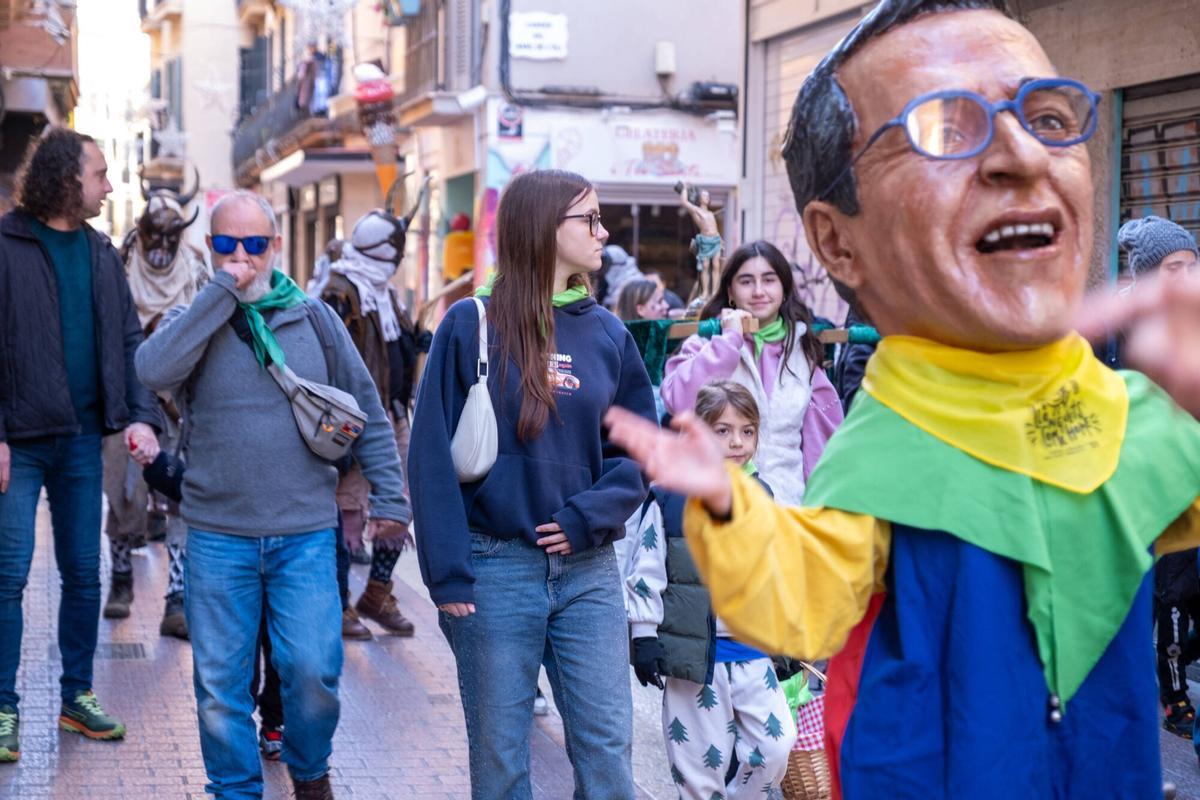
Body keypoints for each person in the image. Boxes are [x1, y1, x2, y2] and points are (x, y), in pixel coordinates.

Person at [604, 2, 1200, 797]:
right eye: (946, 129)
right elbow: (802, 600)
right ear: (836, 240)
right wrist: (726, 504)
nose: (1022, 155)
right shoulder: (885, 447)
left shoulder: (1128, 414)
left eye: (1049, 116)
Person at [135, 190, 410, 800]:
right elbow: (151, 371)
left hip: (304, 536)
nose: (241, 258)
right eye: (227, 245)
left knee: (314, 674)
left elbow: (365, 405)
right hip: (216, 536)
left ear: (275, 247)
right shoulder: (196, 318)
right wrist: (218, 296)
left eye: (254, 245)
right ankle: (234, 788)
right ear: (210, 248)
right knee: (219, 687)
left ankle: (310, 772)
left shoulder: (314, 318)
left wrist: (392, 498)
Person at [409, 169, 656, 799]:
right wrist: (447, 571)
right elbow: (430, 451)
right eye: (590, 220)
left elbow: (638, 451)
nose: (603, 233)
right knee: (500, 762)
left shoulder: (608, 333)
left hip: (588, 571)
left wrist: (587, 518)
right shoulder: (470, 322)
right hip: (494, 571)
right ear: (545, 228)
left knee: (606, 755)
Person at [0, 127, 162, 762]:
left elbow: (129, 343)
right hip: (19, 442)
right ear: (67, 176)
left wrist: (140, 416)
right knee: (8, 575)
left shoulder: (100, 253)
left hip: (80, 442)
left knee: (84, 574)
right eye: (99, 174)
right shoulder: (6, 243)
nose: (109, 185)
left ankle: (77, 698)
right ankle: (4, 708)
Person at [627, 380, 796, 798]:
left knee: (775, 747)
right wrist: (643, 635)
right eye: (722, 430)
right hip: (694, 663)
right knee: (699, 769)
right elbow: (646, 569)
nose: (737, 442)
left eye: (747, 431)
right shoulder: (669, 499)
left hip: (754, 657)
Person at [659, 239, 843, 506]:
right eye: (746, 281)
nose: (758, 291)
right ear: (730, 291)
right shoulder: (705, 344)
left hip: (787, 510)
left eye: (769, 280)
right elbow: (679, 402)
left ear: (783, 289)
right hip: (716, 507)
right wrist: (729, 341)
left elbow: (822, 445)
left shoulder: (802, 351)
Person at [103, 184, 211, 637]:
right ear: (141, 234)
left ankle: (177, 598)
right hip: (128, 400)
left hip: (182, 403)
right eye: (155, 238)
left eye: (172, 239)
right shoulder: (118, 268)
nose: (163, 248)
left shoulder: (197, 274)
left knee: (181, 495)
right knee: (124, 491)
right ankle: (122, 579)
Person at [1114, 215, 1200, 738]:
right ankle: (1171, 695)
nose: (1187, 277)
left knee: (1184, 589)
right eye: (1174, 268)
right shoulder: (1118, 327)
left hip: (1188, 481)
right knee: (1163, 595)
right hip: (1139, 488)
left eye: (1193, 266)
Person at [322, 209, 422, 638]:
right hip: (352, 419)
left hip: (392, 414)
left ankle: (378, 592)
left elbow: (394, 343)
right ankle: (339, 604)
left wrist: (418, 341)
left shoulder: (385, 291)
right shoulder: (338, 292)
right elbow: (330, 359)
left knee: (399, 503)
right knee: (347, 510)